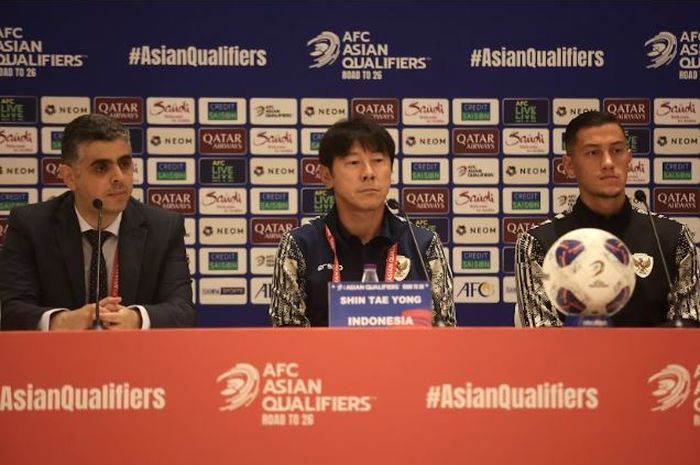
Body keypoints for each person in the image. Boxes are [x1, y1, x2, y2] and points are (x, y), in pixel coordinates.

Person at [0, 114, 194, 330]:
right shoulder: (31, 226)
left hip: (134, 358)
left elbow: (182, 310)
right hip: (57, 358)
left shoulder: (164, 227)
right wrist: (62, 321)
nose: (119, 177)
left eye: (124, 163)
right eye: (101, 168)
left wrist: (136, 319)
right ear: (69, 177)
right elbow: (12, 311)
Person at [515, 110, 699, 327]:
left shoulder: (672, 238)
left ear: (629, 158)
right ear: (569, 166)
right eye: (593, 153)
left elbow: (689, 330)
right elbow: (540, 341)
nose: (609, 162)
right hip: (572, 361)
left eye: (617, 150)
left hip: (660, 361)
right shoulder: (538, 244)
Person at [269, 115, 455, 327]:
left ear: (391, 172)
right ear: (326, 175)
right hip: (326, 360)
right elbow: (287, 338)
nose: (368, 173)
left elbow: (445, 333)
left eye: (378, 161)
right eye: (354, 162)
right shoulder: (300, 245)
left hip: (406, 360)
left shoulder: (423, 245)